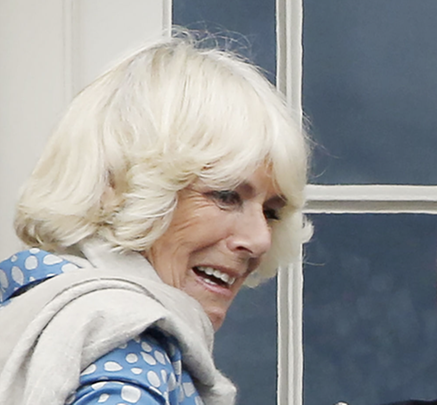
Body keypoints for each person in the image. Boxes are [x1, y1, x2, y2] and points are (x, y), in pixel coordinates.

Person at [0, 32, 311, 405]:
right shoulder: (130, 340)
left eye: (272, 212)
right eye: (225, 195)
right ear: (121, 185)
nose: (260, 239)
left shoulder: (31, 303)